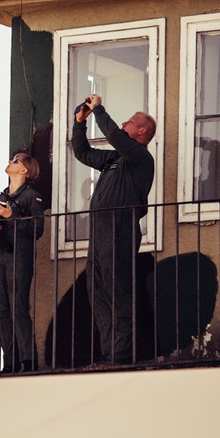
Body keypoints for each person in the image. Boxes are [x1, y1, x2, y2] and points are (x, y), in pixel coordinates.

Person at [73, 94, 156, 365]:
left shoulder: (140, 157)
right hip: (100, 231)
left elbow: (115, 137)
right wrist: (79, 123)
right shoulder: (114, 160)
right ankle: (109, 353)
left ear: (141, 131)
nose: (124, 123)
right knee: (96, 291)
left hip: (120, 228)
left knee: (118, 292)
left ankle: (120, 356)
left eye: (130, 122)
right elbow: (82, 153)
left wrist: (99, 109)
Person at [0, 153, 45, 374]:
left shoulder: (32, 197)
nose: (11, 161)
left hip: (19, 257)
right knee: (1, 312)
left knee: (18, 308)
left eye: (17, 161)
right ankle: (9, 362)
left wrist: (13, 216)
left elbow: (37, 230)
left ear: (24, 171)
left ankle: (28, 361)